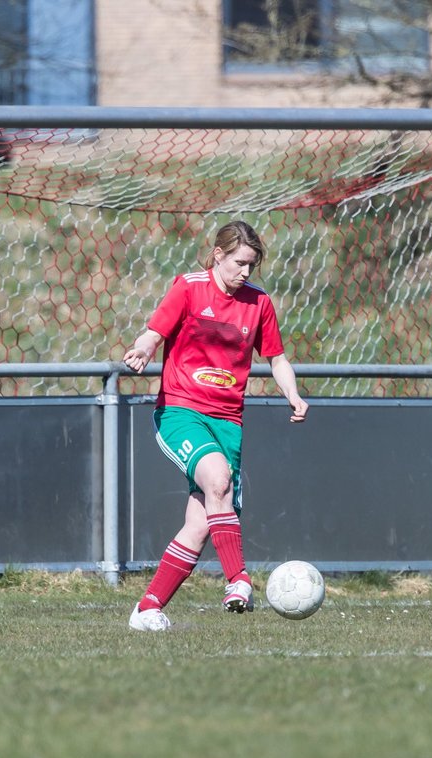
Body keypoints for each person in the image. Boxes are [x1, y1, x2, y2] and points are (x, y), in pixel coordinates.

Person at [122, 220, 309, 631]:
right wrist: (141, 350)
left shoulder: (258, 303)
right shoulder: (189, 287)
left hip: (228, 421)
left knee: (202, 523)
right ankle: (238, 580)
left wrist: (292, 394)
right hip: (180, 411)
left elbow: (276, 358)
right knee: (219, 480)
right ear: (219, 255)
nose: (246, 272)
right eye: (240, 263)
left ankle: (148, 608)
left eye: (252, 266)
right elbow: (155, 332)